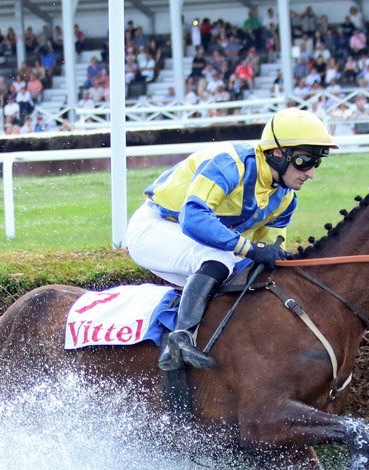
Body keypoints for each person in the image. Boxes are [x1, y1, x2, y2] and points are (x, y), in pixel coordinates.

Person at [123, 108, 337, 371]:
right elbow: (193, 217)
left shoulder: (285, 199)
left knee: (251, 277)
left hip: (193, 240)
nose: (311, 173)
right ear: (278, 153)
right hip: (154, 228)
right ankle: (180, 339)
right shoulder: (230, 163)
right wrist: (248, 248)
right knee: (219, 258)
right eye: (305, 161)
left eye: (317, 163)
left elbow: (268, 252)